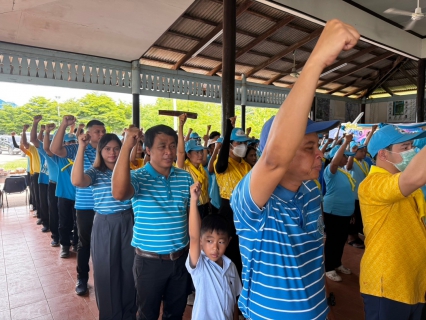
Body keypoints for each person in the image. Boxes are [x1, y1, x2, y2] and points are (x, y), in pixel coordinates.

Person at [230, 19, 359, 319]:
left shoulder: (312, 191)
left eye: (318, 146)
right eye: (309, 148)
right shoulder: (253, 204)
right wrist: (316, 62)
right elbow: (273, 160)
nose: (319, 155)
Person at [112, 125, 193, 320]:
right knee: (148, 314)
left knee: (176, 313)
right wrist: (126, 146)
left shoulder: (185, 178)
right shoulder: (138, 177)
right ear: (148, 149)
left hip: (180, 260)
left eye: (172, 146)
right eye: (162, 146)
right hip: (149, 263)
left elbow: (191, 217)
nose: (169, 152)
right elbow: (119, 193)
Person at [358, 124, 426, 320]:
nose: (412, 152)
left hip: (412, 282)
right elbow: (417, 176)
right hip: (387, 286)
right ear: (383, 154)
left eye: (412, 146)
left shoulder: (403, 184)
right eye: (405, 148)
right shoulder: (372, 185)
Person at [72, 133, 136, 320]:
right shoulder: (95, 172)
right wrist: (81, 147)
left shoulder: (127, 171)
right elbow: (77, 181)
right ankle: (110, 315)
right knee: (106, 272)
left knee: (129, 270)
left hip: (128, 222)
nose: (113, 152)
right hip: (105, 224)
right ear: (100, 150)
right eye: (107, 148)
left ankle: (129, 314)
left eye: (116, 148)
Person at [51, 115, 106, 295]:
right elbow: (55, 149)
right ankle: (82, 278)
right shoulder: (77, 149)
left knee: (105, 244)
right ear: (88, 134)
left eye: (103, 131)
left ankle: (105, 278)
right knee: (85, 243)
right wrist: (64, 125)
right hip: (85, 205)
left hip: (105, 205)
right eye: (97, 131)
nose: (101, 134)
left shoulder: (109, 151)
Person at [186, 182, 241, 320]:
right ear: (201, 242)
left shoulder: (231, 267)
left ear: (228, 241)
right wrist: (193, 201)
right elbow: (193, 236)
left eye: (221, 242)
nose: (215, 247)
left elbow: (234, 301)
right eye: (209, 241)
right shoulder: (200, 265)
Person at [214, 117, 252, 276]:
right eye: (239, 143)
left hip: (245, 209)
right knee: (229, 248)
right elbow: (221, 163)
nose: (243, 146)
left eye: (244, 143)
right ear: (229, 145)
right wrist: (228, 131)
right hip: (228, 210)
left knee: (243, 247)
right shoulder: (222, 164)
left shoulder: (246, 165)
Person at [323, 138, 356, 282]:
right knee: (332, 240)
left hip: (345, 212)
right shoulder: (331, 170)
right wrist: (344, 142)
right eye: (344, 155)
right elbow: (335, 161)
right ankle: (329, 268)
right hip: (333, 211)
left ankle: (337, 263)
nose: (346, 157)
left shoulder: (343, 172)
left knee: (341, 239)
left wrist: (351, 211)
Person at [44, 123, 78, 251]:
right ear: (63, 144)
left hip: (79, 196)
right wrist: (47, 132)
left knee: (79, 223)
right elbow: (47, 148)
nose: (71, 145)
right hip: (64, 194)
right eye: (68, 143)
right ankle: (65, 245)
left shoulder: (81, 156)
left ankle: (76, 243)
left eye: (73, 142)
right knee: (64, 222)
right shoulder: (60, 158)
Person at [345, 125, 377, 248]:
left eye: (364, 151)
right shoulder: (351, 161)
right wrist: (352, 154)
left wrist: (372, 131)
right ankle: (351, 238)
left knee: (359, 217)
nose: (364, 153)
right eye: (361, 151)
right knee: (353, 217)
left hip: (361, 195)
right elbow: (348, 167)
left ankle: (356, 236)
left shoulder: (364, 162)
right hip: (353, 195)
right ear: (354, 151)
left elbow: (366, 144)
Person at [177, 114, 210, 219]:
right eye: (196, 152)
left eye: (201, 151)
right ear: (188, 154)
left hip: (205, 206)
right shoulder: (183, 167)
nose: (200, 155)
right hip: (192, 208)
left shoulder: (201, 168)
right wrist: (181, 126)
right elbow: (180, 152)